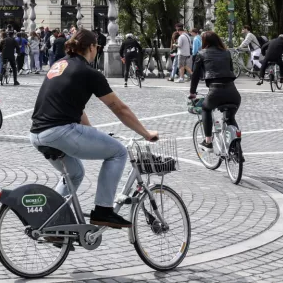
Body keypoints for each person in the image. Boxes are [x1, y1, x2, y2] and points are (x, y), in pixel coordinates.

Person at [29, 29, 159, 228]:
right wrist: (146, 133)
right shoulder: (89, 72)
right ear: (91, 47)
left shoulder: (59, 65)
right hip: (60, 132)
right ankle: (103, 211)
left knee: (74, 174)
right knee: (118, 152)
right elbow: (119, 108)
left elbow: (74, 106)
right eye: (96, 47)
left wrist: (91, 133)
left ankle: (48, 221)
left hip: (37, 134)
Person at [189, 31, 240, 152]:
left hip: (215, 92)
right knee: (230, 118)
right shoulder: (226, 53)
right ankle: (237, 148)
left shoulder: (201, 54)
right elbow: (231, 71)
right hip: (233, 92)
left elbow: (195, 76)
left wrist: (192, 92)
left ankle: (208, 142)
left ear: (204, 42)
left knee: (206, 109)